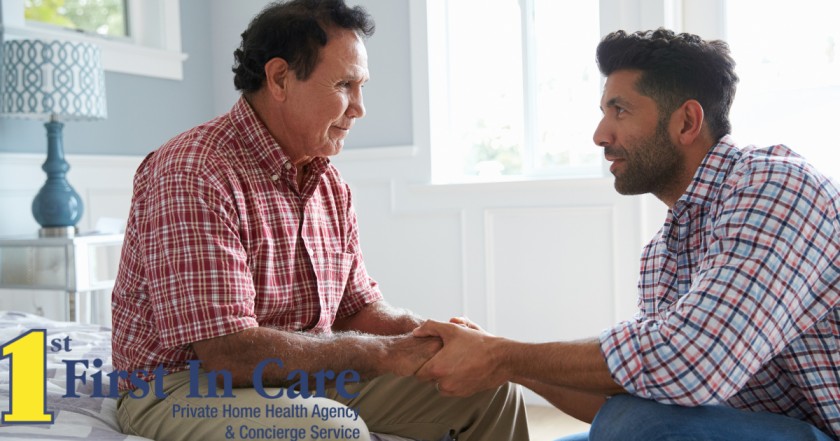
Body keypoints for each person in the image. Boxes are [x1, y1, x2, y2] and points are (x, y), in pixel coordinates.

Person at [110, 1, 529, 440]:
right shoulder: (193, 172)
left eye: (361, 86)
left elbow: (357, 308)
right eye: (345, 84)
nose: (360, 107)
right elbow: (226, 354)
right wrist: (385, 354)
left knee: (491, 389)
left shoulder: (329, 184)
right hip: (181, 386)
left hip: (305, 374)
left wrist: (429, 336)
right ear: (279, 78)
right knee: (329, 430)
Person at [413, 28, 840, 441]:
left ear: (687, 122)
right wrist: (501, 362)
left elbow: (690, 361)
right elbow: (632, 392)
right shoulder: (663, 253)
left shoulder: (777, 187)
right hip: (738, 427)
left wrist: (503, 353)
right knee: (619, 424)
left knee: (638, 425)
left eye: (620, 110)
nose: (600, 135)